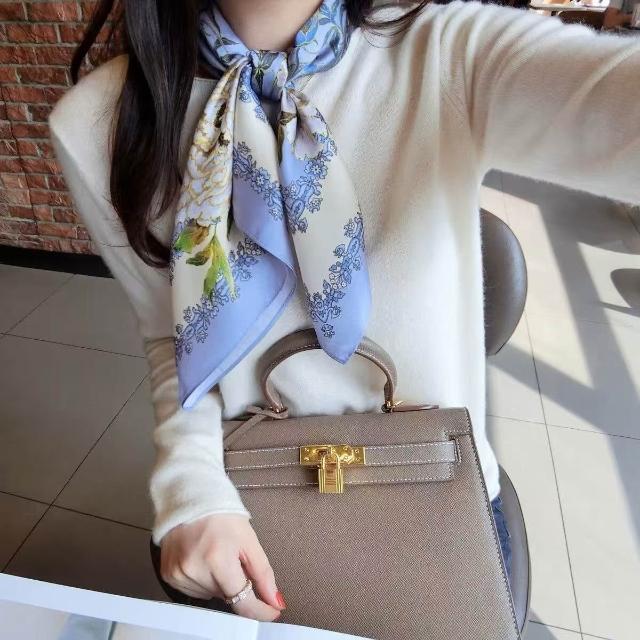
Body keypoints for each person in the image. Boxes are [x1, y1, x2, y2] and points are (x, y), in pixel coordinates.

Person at [54, 0, 640, 625]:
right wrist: (191, 487)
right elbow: (170, 337)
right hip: (253, 512)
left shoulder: (449, 55)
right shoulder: (97, 121)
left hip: (435, 502)